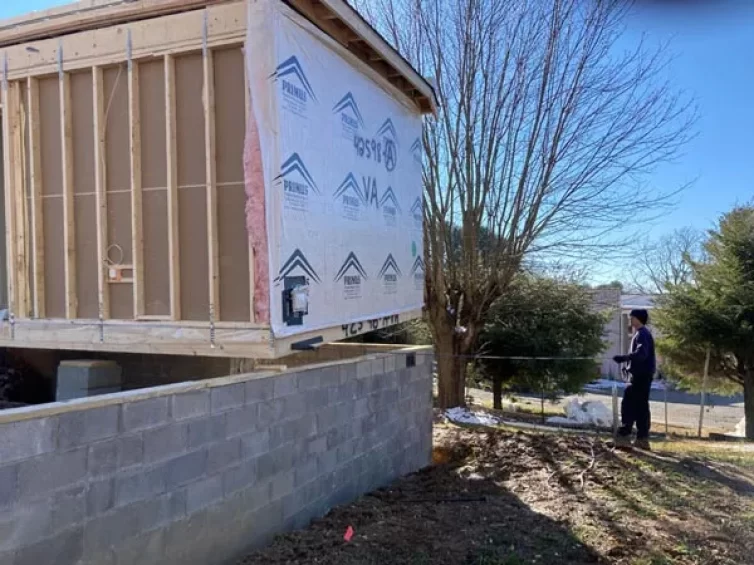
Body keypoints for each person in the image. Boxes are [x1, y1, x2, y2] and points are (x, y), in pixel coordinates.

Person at [613, 309, 656, 450]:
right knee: (640, 407)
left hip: (640, 376)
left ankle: (624, 437)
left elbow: (641, 354)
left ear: (638, 319)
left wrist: (625, 358)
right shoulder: (641, 334)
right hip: (641, 375)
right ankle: (641, 439)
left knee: (629, 405)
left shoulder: (642, 334)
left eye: (632, 318)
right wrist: (627, 365)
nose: (630, 320)